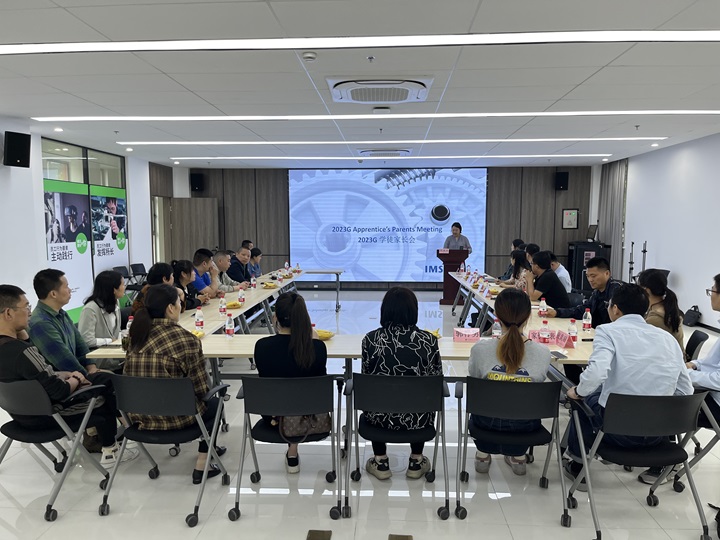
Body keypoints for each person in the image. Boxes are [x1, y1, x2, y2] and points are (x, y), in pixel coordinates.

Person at [564, 284, 693, 490]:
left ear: (615, 309)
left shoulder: (608, 331)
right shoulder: (667, 338)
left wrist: (578, 391)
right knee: (600, 393)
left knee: (582, 399)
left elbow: (597, 373)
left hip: (616, 432)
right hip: (658, 434)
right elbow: (686, 390)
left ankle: (578, 464)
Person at [0, 284, 138, 468]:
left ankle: (120, 435)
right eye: (26, 307)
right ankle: (114, 445)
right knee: (103, 389)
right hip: (49, 416)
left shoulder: (14, 348)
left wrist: (63, 374)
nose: (29, 313)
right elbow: (59, 391)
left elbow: (31, 373)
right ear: (9, 313)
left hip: (20, 416)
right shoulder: (23, 351)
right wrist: (77, 378)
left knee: (102, 381)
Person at [124, 284, 226, 484]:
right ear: (171, 308)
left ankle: (209, 448)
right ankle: (202, 463)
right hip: (178, 420)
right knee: (215, 403)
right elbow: (201, 390)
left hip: (140, 418)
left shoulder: (136, 337)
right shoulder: (186, 340)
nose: (181, 306)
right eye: (180, 302)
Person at [361, 287, 442, 480]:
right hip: (418, 419)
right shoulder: (428, 341)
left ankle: (380, 461)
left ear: (384, 310)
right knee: (421, 399)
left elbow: (367, 379)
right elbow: (435, 380)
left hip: (379, 418)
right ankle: (416, 460)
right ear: (414, 311)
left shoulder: (370, 340)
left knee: (377, 397)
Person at [468, 288, 551, 475]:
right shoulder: (543, 353)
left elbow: (474, 379)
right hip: (526, 429)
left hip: (484, 426)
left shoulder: (480, 349)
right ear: (528, 316)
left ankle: (482, 455)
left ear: (496, 316)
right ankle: (519, 457)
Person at [254, 292, 328, 473]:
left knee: (287, 397)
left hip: (274, 418)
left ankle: (292, 451)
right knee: (299, 395)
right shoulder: (317, 348)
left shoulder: (262, 347)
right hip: (310, 417)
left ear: (275, 317)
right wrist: (314, 340)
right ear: (304, 318)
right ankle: (292, 451)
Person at [545, 257, 622, 383]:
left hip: (611, 340)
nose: (590, 280)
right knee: (568, 354)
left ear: (607, 273)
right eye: (588, 276)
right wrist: (558, 312)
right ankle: (576, 386)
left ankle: (581, 388)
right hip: (595, 335)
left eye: (593, 276)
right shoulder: (597, 293)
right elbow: (582, 310)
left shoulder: (617, 291)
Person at [28, 269, 98, 375]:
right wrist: (87, 375)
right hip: (66, 379)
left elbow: (80, 344)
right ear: (53, 294)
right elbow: (64, 360)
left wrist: (91, 366)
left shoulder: (61, 313)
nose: (70, 290)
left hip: (79, 374)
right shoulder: (41, 323)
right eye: (66, 287)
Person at [78, 271, 124, 371]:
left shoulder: (116, 302)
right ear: (114, 289)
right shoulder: (90, 309)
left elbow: (116, 332)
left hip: (115, 355)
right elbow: (86, 340)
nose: (124, 287)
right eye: (122, 284)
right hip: (99, 361)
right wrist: (109, 341)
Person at [637, 269, 684, 352]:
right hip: (675, 355)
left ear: (646, 290)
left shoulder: (655, 319)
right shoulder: (667, 307)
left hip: (670, 358)